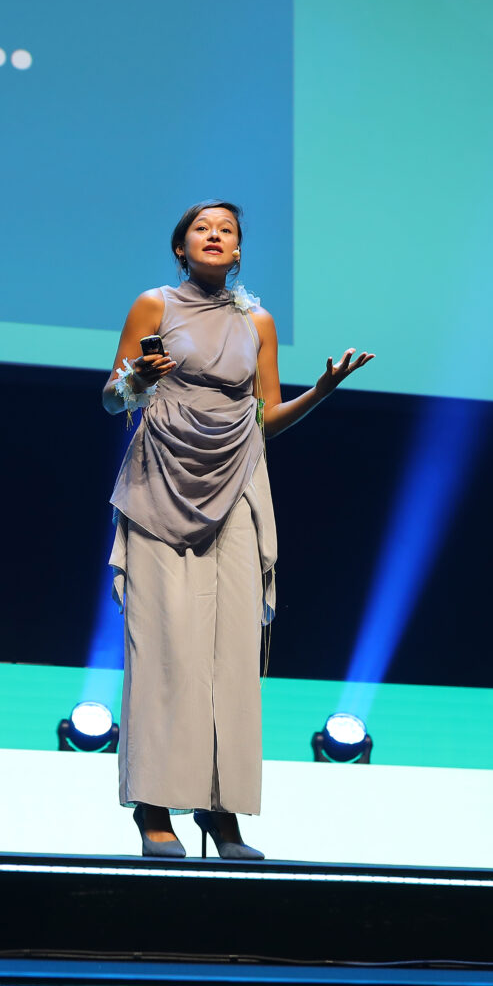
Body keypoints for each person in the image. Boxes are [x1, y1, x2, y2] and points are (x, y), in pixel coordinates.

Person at [103, 201, 373, 858]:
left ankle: (222, 817)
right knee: (165, 648)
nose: (216, 235)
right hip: (163, 479)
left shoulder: (257, 322)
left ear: (240, 251)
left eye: (227, 229)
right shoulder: (153, 306)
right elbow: (113, 397)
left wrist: (323, 392)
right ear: (181, 249)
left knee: (230, 655)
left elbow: (266, 419)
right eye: (202, 228)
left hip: (239, 483)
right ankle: (154, 808)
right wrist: (136, 378)